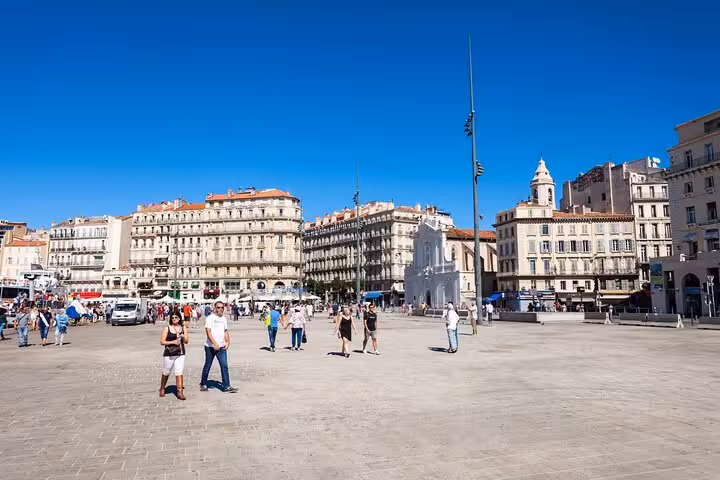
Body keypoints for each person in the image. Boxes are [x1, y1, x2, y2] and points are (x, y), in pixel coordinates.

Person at [200, 301, 238, 393]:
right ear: (214, 308)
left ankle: (226, 386)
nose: (220, 309)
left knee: (224, 366)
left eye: (222, 307)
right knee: (208, 365)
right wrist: (214, 344)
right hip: (210, 347)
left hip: (221, 347)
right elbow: (208, 332)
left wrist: (228, 341)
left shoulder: (224, 319)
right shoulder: (210, 318)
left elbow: (225, 331)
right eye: (218, 307)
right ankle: (203, 383)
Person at [160, 309, 189, 400]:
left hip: (180, 352)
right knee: (166, 371)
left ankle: (180, 392)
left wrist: (183, 337)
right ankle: (162, 388)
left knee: (179, 371)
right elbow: (162, 341)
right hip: (169, 353)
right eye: (172, 318)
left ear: (180, 318)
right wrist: (173, 341)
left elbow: (186, 341)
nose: (174, 319)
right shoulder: (167, 328)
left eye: (176, 317)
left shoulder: (183, 328)